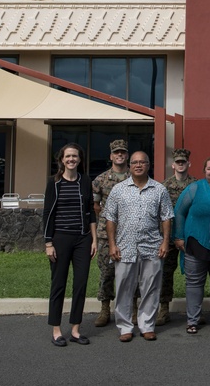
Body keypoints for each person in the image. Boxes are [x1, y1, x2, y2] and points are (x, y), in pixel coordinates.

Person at [104, 151, 173, 342]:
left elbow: (166, 217)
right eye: (134, 162)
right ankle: (125, 327)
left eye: (142, 162)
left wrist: (165, 242)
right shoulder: (118, 190)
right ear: (129, 165)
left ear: (149, 165)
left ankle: (147, 325)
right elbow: (110, 218)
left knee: (150, 288)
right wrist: (112, 244)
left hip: (152, 246)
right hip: (125, 247)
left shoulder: (159, 190)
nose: (138, 165)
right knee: (124, 288)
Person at [43, 143, 97, 347]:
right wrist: (48, 243)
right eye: (68, 156)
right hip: (60, 238)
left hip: (83, 239)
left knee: (80, 284)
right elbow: (48, 214)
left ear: (79, 159)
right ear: (62, 159)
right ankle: (56, 329)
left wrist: (94, 239)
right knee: (58, 284)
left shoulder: (85, 181)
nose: (71, 159)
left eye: (75, 156)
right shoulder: (54, 183)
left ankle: (75, 328)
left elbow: (91, 212)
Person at [173, 156, 210, 334]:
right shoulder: (195, 188)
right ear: (204, 171)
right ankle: (193, 320)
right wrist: (179, 236)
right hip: (196, 242)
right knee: (194, 283)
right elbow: (179, 212)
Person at [91, 139, 129, 328]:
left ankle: (133, 309)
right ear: (111, 156)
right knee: (107, 273)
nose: (119, 155)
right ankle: (105, 309)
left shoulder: (135, 176)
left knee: (132, 273)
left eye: (122, 152)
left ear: (127, 155)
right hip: (107, 234)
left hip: (130, 233)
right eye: (116, 153)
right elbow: (96, 206)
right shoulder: (101, 180)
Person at [158, 148, 197, 326]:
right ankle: (164, 309)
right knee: (166, 273)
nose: (181, 165)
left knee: (194, 274)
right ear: (173, 165)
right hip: (170, 237)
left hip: (191, 236)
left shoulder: (196, 185)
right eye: (178, 162)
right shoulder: (164, 186)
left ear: (189, 164)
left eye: (184, 162)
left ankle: (194, 310)